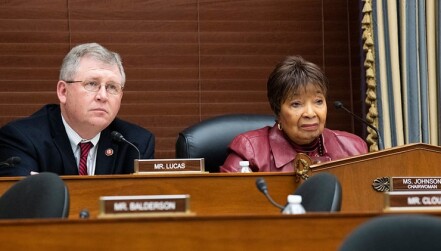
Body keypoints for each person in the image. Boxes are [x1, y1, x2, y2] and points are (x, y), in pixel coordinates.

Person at [0, 43, 155, 176]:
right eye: (92, 84)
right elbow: (24, 205)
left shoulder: (135, 144)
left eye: (112, 87)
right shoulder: (22, 140)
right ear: (63, 91)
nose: (103, 96)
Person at [221, 55, 368, 172]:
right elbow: (228, 204)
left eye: (318, 101)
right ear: (277, 110)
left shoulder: (353, 149)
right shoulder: (249, 151)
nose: (310, 113)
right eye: (296, 104)